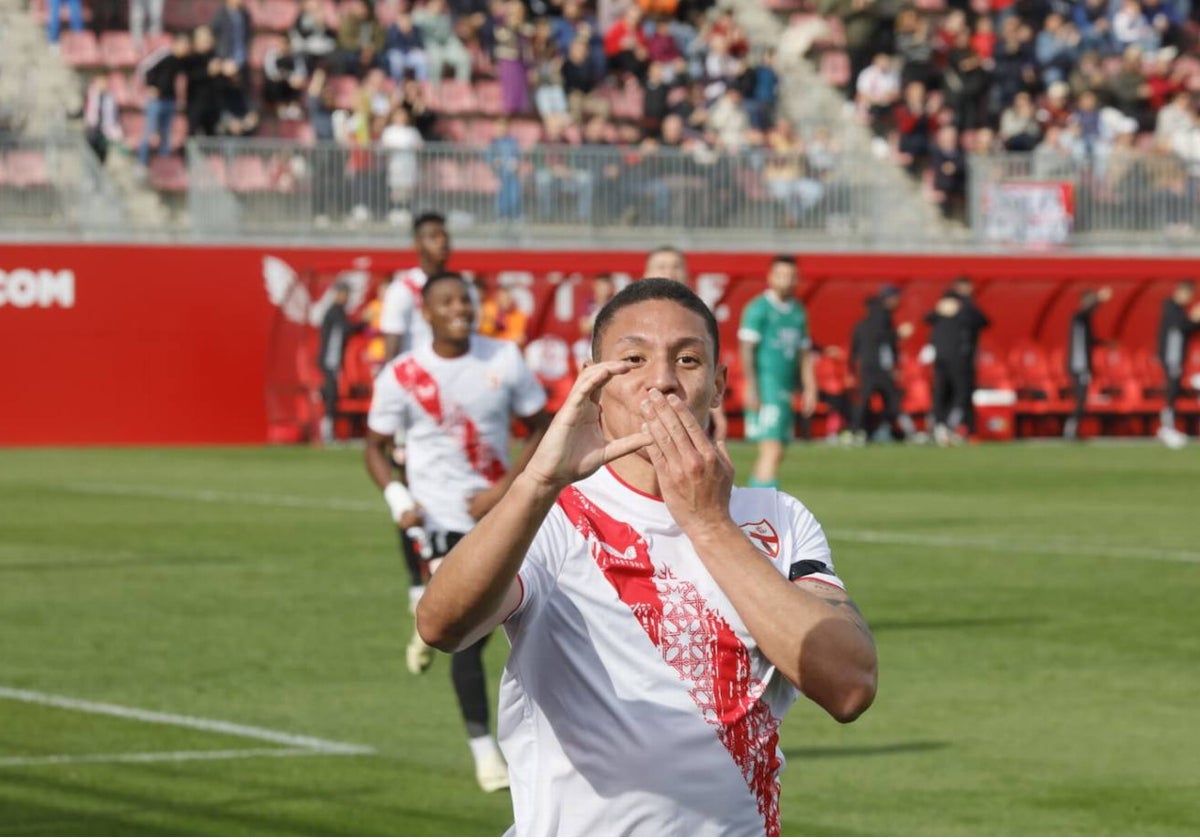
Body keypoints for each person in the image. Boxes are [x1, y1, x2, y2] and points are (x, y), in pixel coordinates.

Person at [416, 278, 877, 835]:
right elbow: (442, 625)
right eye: (632, 360)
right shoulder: (554, 513)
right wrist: (538, 479)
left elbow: (849, 685)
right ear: (593, 384)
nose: (661, 381)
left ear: (718, 384)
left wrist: (708, 522)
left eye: (687, 360)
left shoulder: (777, 518)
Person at [365, 271, 550, 792]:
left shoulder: (504, 358)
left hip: (498, 518)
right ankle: (483, 751)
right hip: (440, 523)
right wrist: (400, 500)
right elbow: (373, 447)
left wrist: (505, 491)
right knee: (469, 640)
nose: (459, 308)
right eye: (446, 301)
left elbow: (542, 426)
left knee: (507, 627)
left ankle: (427, 619)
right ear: (426, 313)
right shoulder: (403, 374)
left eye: (465, 299)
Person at [738, 255, 816, 488]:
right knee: (771, 447)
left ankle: (756, 500)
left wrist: (810, 387)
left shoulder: (798, 311)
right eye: (781, 275)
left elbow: (804, 354)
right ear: (770, 277)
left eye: (792, 276)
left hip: (785, 389)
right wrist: (752, 387)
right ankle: (762, 507)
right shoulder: (758, 308)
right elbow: (746, 349)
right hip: (766, 387)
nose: (787, 280)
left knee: (779, 449)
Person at [924, 275, 990, 445]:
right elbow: (928, 319)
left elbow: (984, 322)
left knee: (951, 394)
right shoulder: (948, 306)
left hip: (956, 359)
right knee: (953, 394)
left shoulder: (965, 307)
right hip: (955, 359)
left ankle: (954, 428)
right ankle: (945, 428)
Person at [849, 286, 918, 444]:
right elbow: (886, 342)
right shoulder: (884, 318)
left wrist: (852, 370)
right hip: (879, 368)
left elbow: (855, 350)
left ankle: (860, 431)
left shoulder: (863, 323)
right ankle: (891, 431)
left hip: (867, 367)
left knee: (867, 402)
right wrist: (898, 334)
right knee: (891, 402)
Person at [380, 212, 452, 362]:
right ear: (417, 244)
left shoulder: (461, 288)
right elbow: (391, 352)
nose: (442, 241)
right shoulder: (402, 290)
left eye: (445, 236)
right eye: (434, 237)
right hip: (418, 380)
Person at [1156, 279, 1200, 448]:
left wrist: (1195, 321)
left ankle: (1169, 427)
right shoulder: (1171, 307)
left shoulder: (1180, 310)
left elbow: (1188, 328)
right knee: (1172, 391)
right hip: (1171, 356)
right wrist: (1194, 318)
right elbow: (1182, 326)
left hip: (1177, 358)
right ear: (1182, 291)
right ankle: (1167, 428)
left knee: (1175, 390)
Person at [1063, 286, 1112, 441]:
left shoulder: (1086, 321)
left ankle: (1073, 429)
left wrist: (1106, 343)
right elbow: (1085, 312)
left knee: (1082, 399)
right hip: (1077, 365)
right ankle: (1071, 429)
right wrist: (1099, 298)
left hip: (1083, 365)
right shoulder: (1077, 317)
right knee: (1081, 398)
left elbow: (1090, 341)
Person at [136, 33, 190, 168]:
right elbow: (144, 67)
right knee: (150, 132)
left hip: (170, 101)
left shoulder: (181, 61)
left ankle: (164, 166)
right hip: (156, 101)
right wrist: (149, 86)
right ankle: (141, 164)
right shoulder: (163, 55)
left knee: (166, 134)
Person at [317, 282, 359, 444]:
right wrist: (363, 323)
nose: (346, 297)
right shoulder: (334, 311)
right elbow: (347, 328)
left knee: (333, 392)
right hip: (329, 360)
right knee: (331, 393)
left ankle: (329, 429)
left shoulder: (339, 311)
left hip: (333, 361)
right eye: (344, 293)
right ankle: (326, 430)